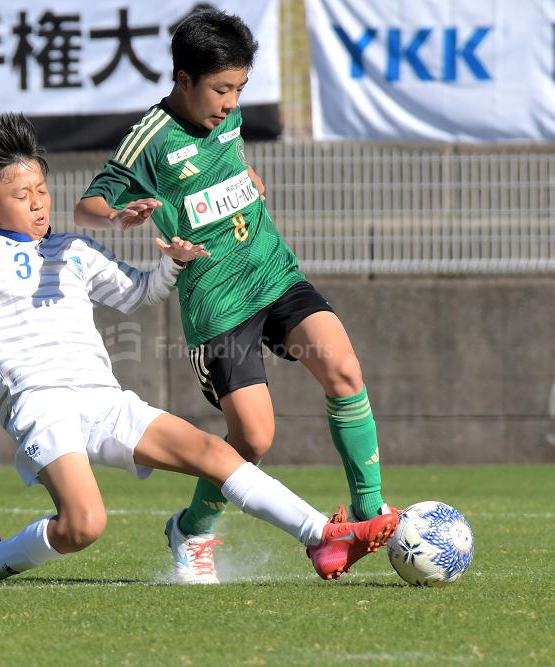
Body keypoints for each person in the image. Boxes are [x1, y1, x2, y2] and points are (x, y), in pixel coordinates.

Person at [0, 113, 398, 585]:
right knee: (83, 525)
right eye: (21, 195)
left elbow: (140, 293)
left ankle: (322, 536)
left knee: (214, 452)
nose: (38, 202)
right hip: (40, 404)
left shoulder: (74, 249)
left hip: (102, 398)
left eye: (41, 189)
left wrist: (174, 261)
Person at [74, 9, 398, 584]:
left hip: (272, 272)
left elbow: (224, 167)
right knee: (252, 438)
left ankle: (369, 512)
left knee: (344, 370)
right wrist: (121, 216)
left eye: (240, 89)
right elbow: (87, 207)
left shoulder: (229, 118)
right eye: (220, 89)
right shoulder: (150, 138)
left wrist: (245, 182)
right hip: (217, 302)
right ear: (184, 80)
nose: (230, 103)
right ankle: (192, 528)